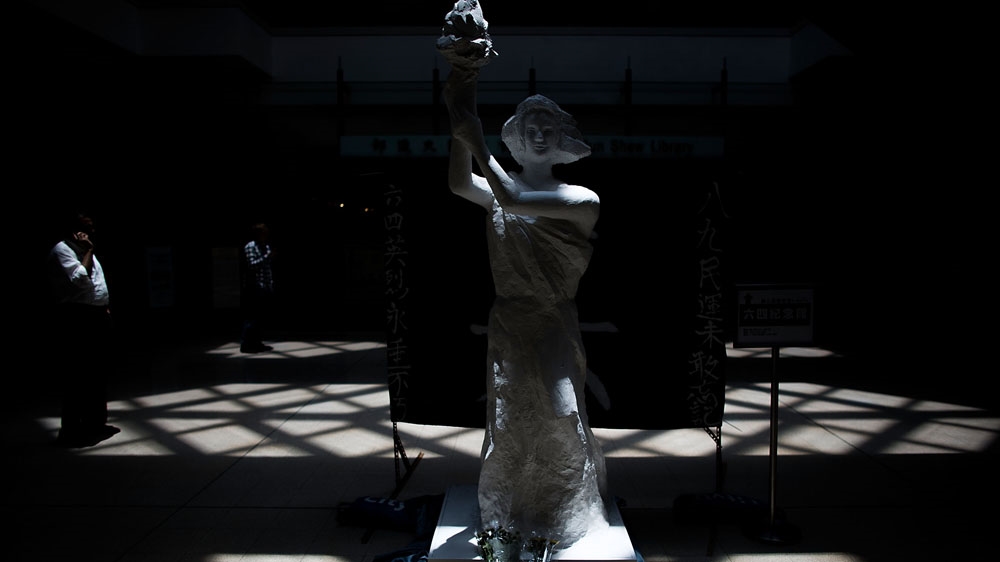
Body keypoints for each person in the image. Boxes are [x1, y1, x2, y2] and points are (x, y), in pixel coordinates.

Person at [442, 58, 611, 545]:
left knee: (561, 412)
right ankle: (509, 511)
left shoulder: (582, 199)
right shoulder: (497, 188)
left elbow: (512, 200)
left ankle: (567, 510)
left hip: (552, 319)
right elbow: (459, 183)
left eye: (547, 128)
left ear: (561, 138)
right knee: (510, 419)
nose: (538, 135)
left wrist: (475, 140)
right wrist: (461, 119)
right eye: (530, 128)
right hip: (511, 320)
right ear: (516, 137)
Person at [46, 209, 120, 448]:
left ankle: (94, 423)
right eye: (87, 228)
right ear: (75, 231)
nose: (92, 232)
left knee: (97, 372)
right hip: (78, 317)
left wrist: (103, 307)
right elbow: (79, 279)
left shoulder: (88, 251)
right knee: (78, 374)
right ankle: (71, 429)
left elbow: (97, 284)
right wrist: (88, 251)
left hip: (95, 316)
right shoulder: (64, 251)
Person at [240, 222, 276, 353]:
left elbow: (267, 268)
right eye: (263, 234)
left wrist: (270, 284)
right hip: (254, 286)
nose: (265, 236)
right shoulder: (251, 246)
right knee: (252, 316)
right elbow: (252, 265)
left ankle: (256, 342)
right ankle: (246, 344)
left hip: (265, 285)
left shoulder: (265, 246)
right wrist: (267, 257)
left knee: (260, 317)